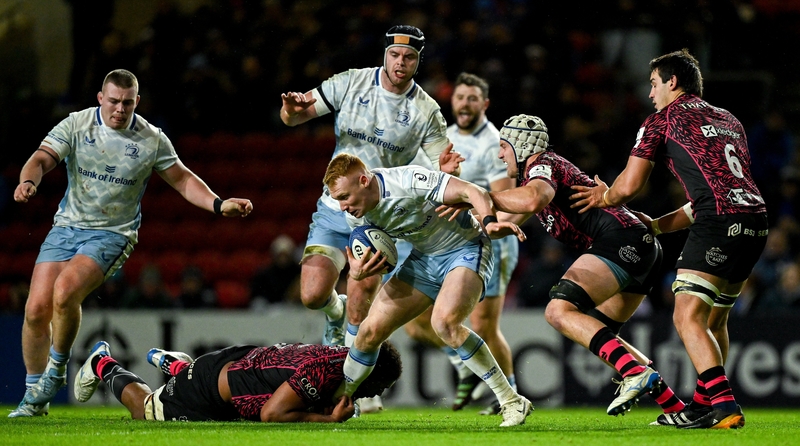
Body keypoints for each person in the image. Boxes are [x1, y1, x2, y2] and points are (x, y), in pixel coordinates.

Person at [8, 69, 254, 418]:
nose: (119, 110)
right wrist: (29, 181)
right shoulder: (77, 125)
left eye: (127, 103)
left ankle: (56, 369)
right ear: (100, 98)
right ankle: (35, 398)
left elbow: (182, 179)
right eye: (113, 102)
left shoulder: (151, 139)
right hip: (66, 228)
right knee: (35, 311)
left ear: (137, 102)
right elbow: (42, 158)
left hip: (112, 234)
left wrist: (218, 203)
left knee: (64, 292)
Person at [570, 49, 767, 429]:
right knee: (714, 318)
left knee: (687, 315)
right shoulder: (729, 119)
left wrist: (604, 196)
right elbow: (719, 188)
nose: (650, 94)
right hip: (754, 219)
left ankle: (724, 407)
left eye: (654, 84)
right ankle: (701, 405)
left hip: (718, 223)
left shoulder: (663, 119)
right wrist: (657, 226)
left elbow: (627, 187)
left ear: (672, 82)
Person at [487, 114, 685, 419]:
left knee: (558, 311)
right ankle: (675, 408)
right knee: (602, 336)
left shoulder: (541, 165)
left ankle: (636, 374)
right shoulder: (536, 177)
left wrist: (480, 196)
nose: (500, 154)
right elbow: (507, 216)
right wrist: (475, 218)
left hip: (621, 240)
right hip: (641, 246)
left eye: (503, 146)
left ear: (520, 145)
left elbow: (532, 199)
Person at [278, 25, 462, 350]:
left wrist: (447, 168)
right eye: (394, 54)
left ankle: (351, 379)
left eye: (409, 57)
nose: (400, 62)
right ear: (385, 54)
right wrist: (290, 112)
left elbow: (441, 167)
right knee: (312, 295)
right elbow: (292, 117)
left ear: (419, 61)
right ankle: (335, 314)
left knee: (362, 287)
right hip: (337, 206)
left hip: (378, 215)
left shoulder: (426, 111)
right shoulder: (350, 82)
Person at [323, 153, 532, 427]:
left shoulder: (408, 180)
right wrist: (361, 271)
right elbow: (380, 252)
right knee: (369, 332)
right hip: (423, 260)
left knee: (444, 323)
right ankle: (342, 402)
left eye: (344, 197)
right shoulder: (357, 216)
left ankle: (512, 401)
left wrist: (490, 221)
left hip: (465, 247)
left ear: (363, 181)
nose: (342, 207)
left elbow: (473, 190)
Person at [402, 72, 519, 415]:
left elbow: (503, 199)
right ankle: (463, 366)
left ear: (484, 104)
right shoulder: (445, 137)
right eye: (459, 97)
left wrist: (484, 215)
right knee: (417, 324)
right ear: (451, 102)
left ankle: (507, 393)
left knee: (483, 325)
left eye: (472, 99)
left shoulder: (492, 143)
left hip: (489, 238)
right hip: (444, 241)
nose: (464, 104)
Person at [73, 339, 401, 422]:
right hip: (209, 389)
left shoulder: (340, 356)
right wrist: (328, 420)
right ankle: (103, 363)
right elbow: (271, 414)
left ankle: (176, 366)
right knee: (144, 410)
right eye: (381, 386)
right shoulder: (325, 373)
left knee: (195, 375)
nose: (378, 393)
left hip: (235, 365)